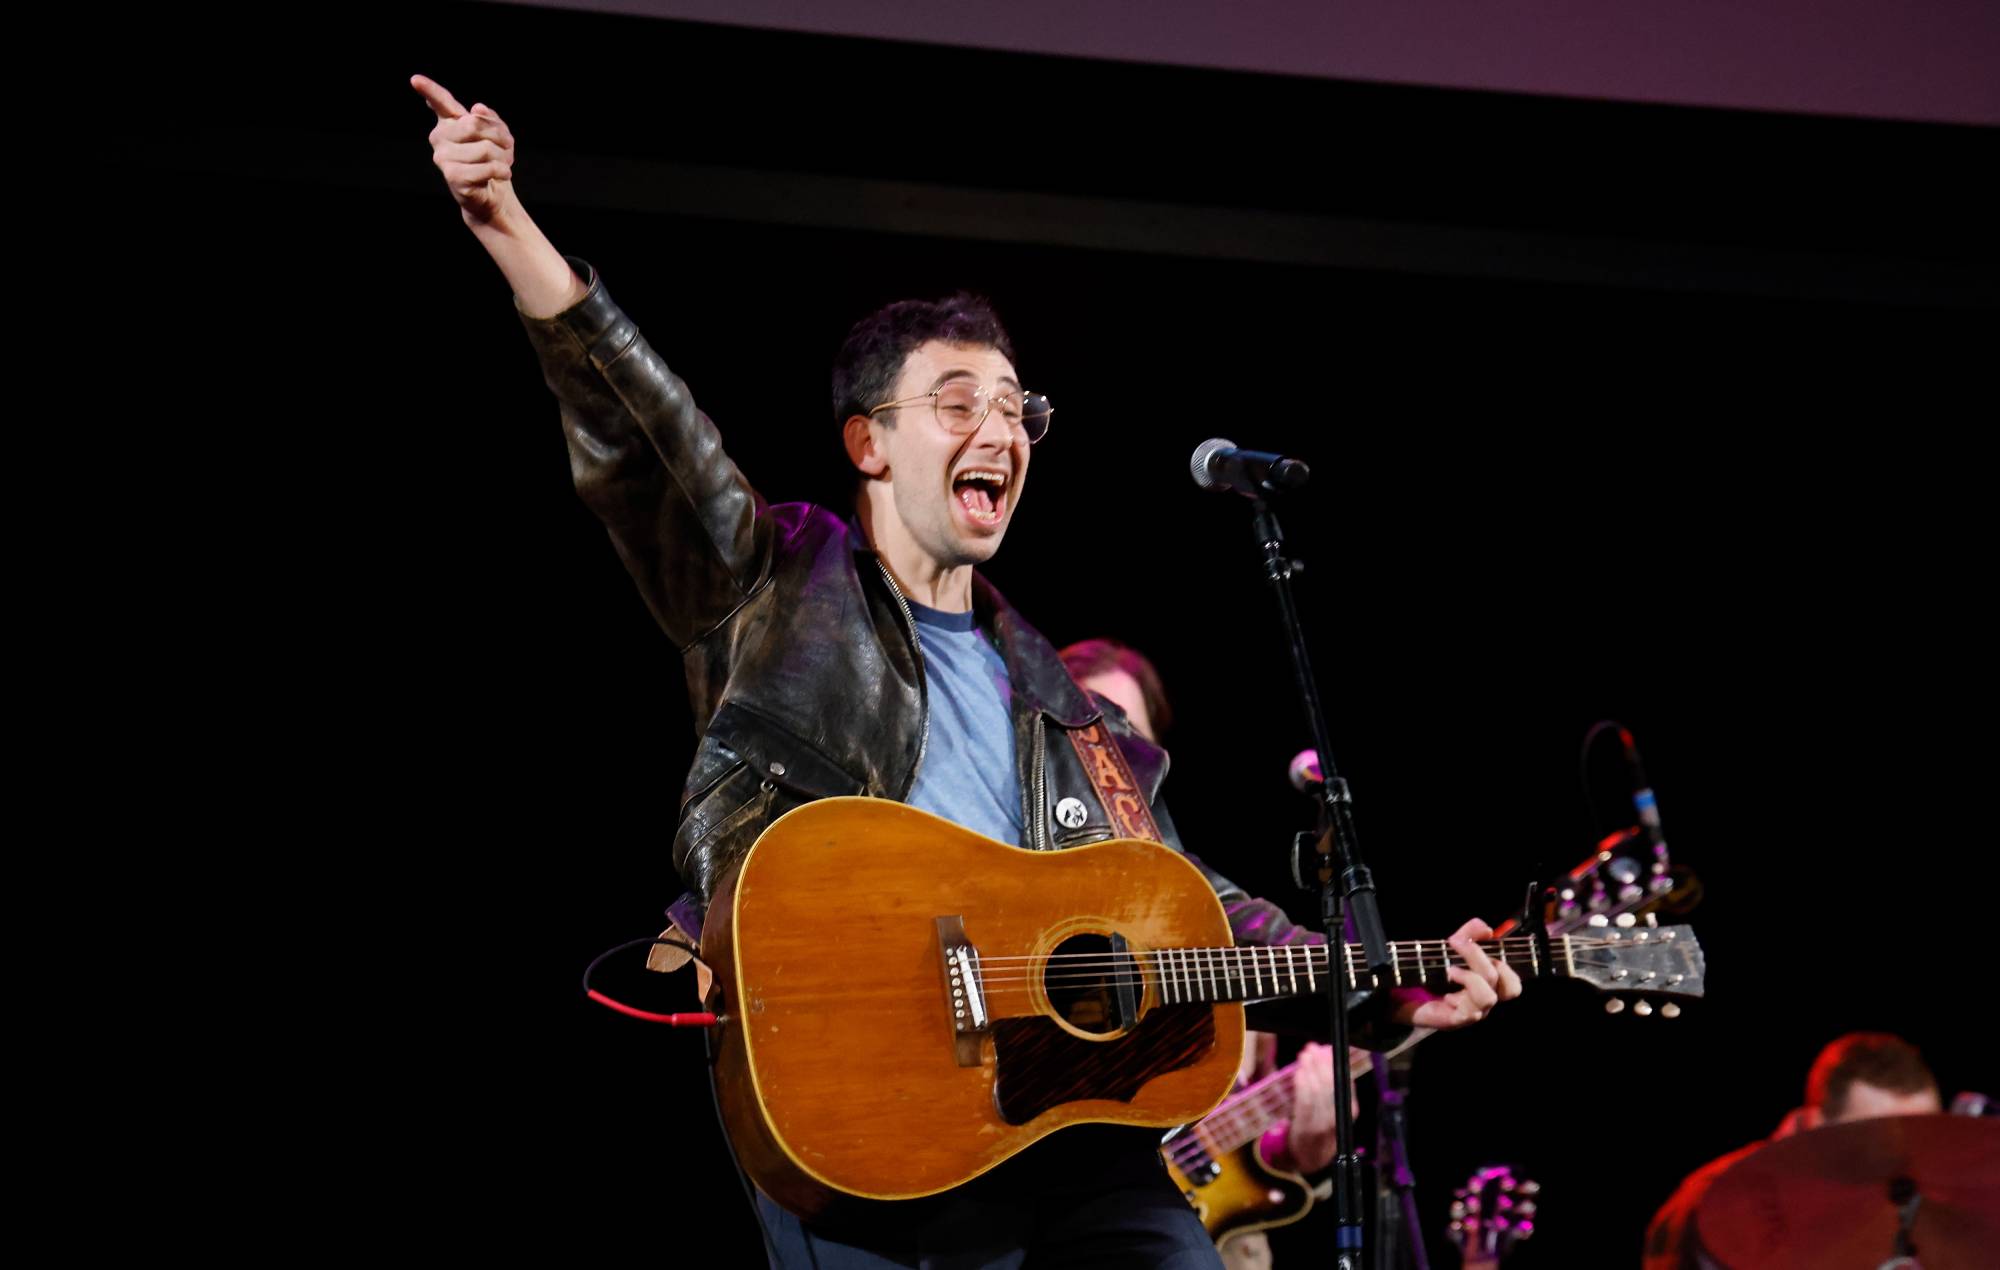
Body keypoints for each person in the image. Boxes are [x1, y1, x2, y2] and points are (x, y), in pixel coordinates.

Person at [415, 74, 1521, 1268]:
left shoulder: (1055, 694)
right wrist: (507, 225)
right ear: (869, 442)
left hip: (1059, 1109)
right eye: (957, 404)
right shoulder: (775, 583)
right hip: (858, 1092)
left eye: (1015, 409)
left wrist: (1390, 980)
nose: (998, 432)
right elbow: (645, 437)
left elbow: (1186, 904)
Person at [1060, 638, 1343, 1270]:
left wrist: (1306, 1151)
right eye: (1096, 724)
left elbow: (1252, 1155)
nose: (1108, 749)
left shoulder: (1210, 923)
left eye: (1128, 731)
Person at [1642, 1032, 1943, 1270]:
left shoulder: (1915, 1201)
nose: (1898, 1155)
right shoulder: (1715, 1200)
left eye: (1918, 1137)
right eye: (1874, 1137)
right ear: (1817, 1122)